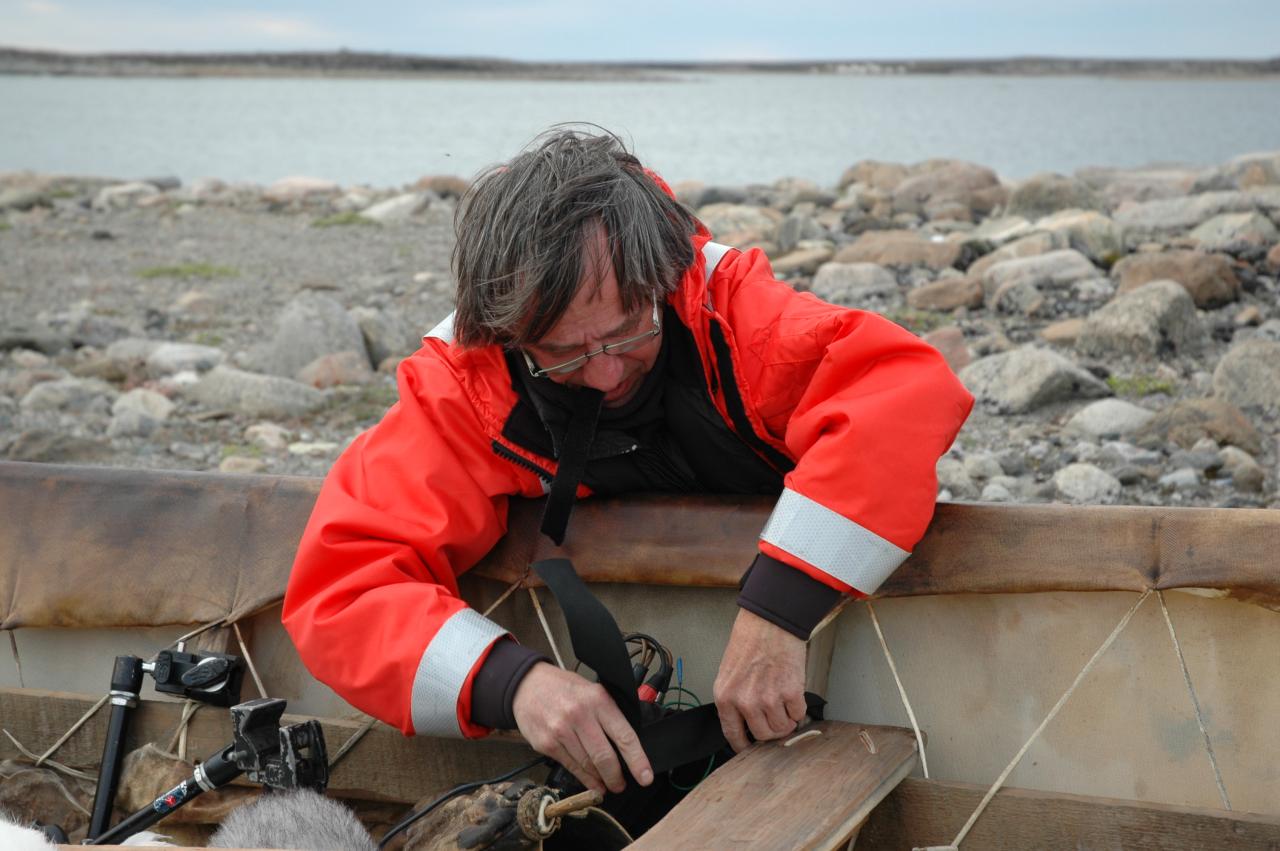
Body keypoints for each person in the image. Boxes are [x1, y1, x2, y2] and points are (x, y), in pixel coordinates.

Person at [283, 127, 973, 799]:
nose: (606, 374)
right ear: (506, 332)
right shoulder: (468, 388)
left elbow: (905, 391)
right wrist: (515, 683)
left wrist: (778, 616)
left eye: (626, 332)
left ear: (662, 279)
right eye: (563, 353)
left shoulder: (736, 315)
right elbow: (343, 586)